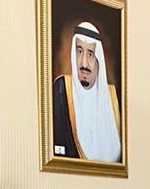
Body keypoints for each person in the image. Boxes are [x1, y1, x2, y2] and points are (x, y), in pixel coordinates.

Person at [50, 21, 122, 162]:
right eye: (79, 51)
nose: (84, 63)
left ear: (98, 59)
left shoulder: (114, 98)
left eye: (90, 54)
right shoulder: (61, 90)